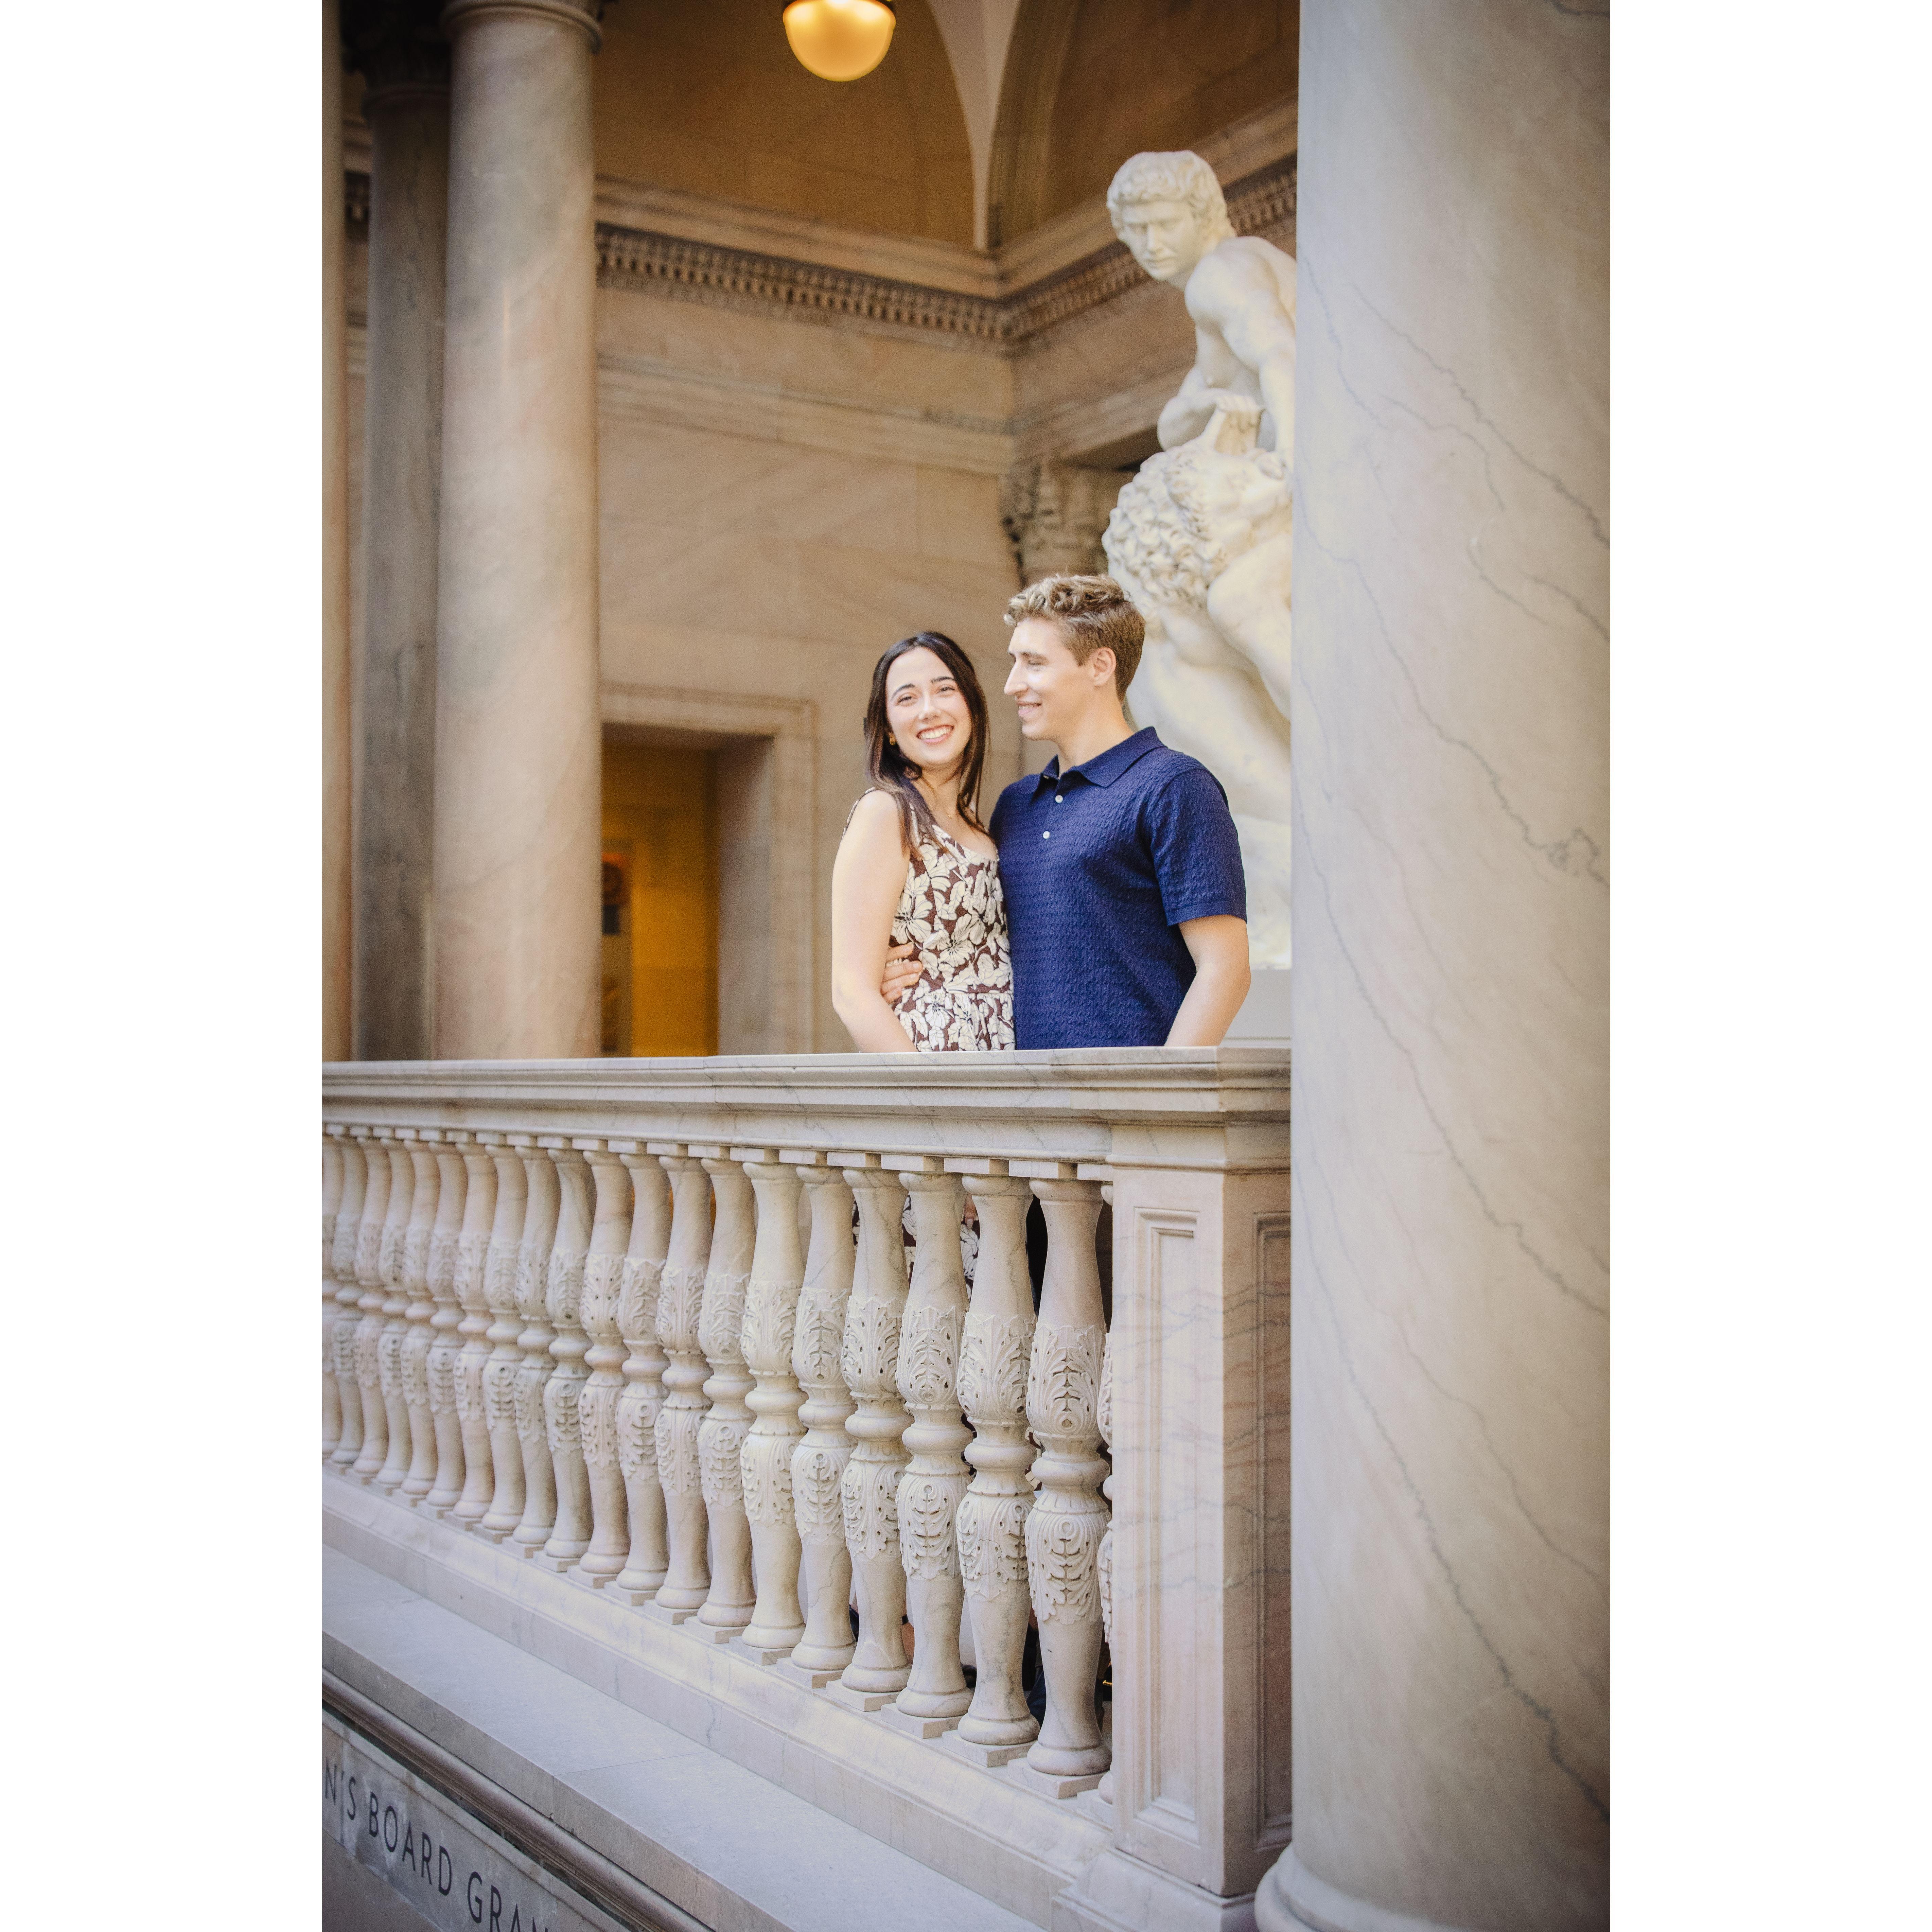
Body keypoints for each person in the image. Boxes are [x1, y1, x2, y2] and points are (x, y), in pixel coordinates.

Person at [881, 574, 1251, 1048]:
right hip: (1025, 1091)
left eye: (1034, 663)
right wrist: (909, 971)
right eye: (1015, 663)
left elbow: (1226, 969)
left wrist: (1160, 1090)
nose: (1012, 685)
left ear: (1100, 666)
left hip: (1130, 1092)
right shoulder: (1016, 806)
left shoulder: (1174, 787)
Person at [830, 631, 1014, 1054]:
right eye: (907, 698)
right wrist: (924, 1087)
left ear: (972, 705)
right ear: (889, 729)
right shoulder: (886, 812)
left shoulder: (980, 827)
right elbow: (851, 992)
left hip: (1001, 1063)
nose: (929, 710)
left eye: (944, 689)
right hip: (931, 1067)